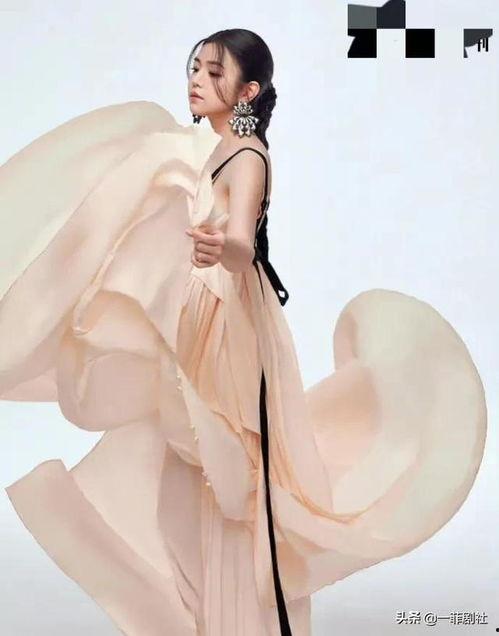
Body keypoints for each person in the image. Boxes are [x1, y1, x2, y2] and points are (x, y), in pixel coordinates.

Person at [0, 28, 487, 636]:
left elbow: (241, 243)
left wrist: (220, 248)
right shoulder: (212, 150)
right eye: (195, 68)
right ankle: (208, 611)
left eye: (214, 72)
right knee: (189, 467)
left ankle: (241, 618)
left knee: (224, 464)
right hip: (203, 306)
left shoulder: (248, 155)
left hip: (229, 315)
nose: (197, 81)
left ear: (247, 91)